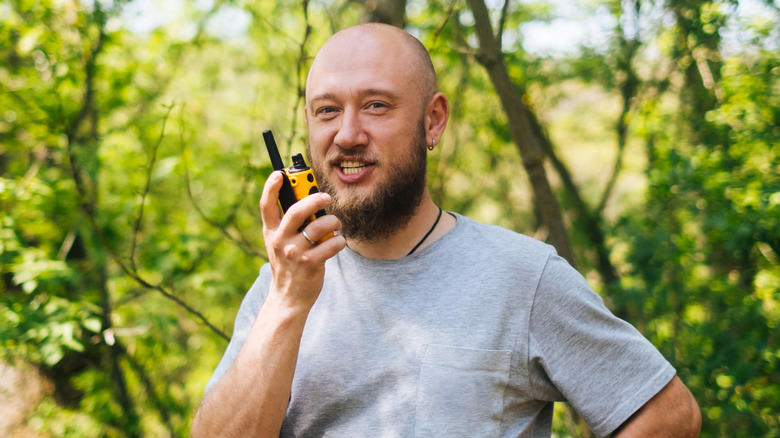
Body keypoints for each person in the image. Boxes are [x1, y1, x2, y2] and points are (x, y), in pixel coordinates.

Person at [192, 23, 701, 437]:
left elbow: (669, 417)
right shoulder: (280, 285)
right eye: (327, 110)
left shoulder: (523, 276)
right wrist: (287, 301)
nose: (347, 134)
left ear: (433, 121)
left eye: (376, 105)